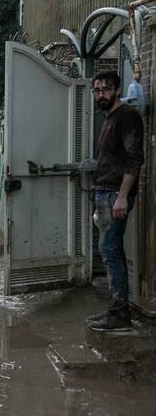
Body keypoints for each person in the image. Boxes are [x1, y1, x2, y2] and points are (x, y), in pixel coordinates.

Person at [87, 71, 144, 332]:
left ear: (117, 90)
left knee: (112, 251)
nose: (101, 95)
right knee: (109, 252)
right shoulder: (110, 118)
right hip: (104, 192)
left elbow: (134, 159)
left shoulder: (126, 116)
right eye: (97, 90)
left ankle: (120, 316)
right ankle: (114, 310)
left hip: (115, 195)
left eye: (106, 90)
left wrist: (122, 196)